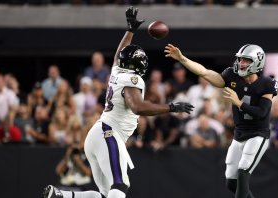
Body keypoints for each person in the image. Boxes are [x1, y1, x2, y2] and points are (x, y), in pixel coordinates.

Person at [43, 7, 194, 198]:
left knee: (107, 194)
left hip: (97, 135)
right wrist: (171, 107)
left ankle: (62, 196)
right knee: (120, 185)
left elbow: (118, 55)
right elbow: (137, 107)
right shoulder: (132, 79)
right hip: (108, 134)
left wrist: (130, 30)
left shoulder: (117, 71)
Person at [164, 43, 278, 198]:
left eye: (246, 60)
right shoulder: (232, 75)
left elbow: (262, 113)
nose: (241, 63)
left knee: (243, 172)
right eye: (240, 60)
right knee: (231, 182)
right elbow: (204, 72)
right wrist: (183, 59)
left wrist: (238, 103)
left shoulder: (267, 84)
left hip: (258, 134)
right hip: (239, 134)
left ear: (257, 62)